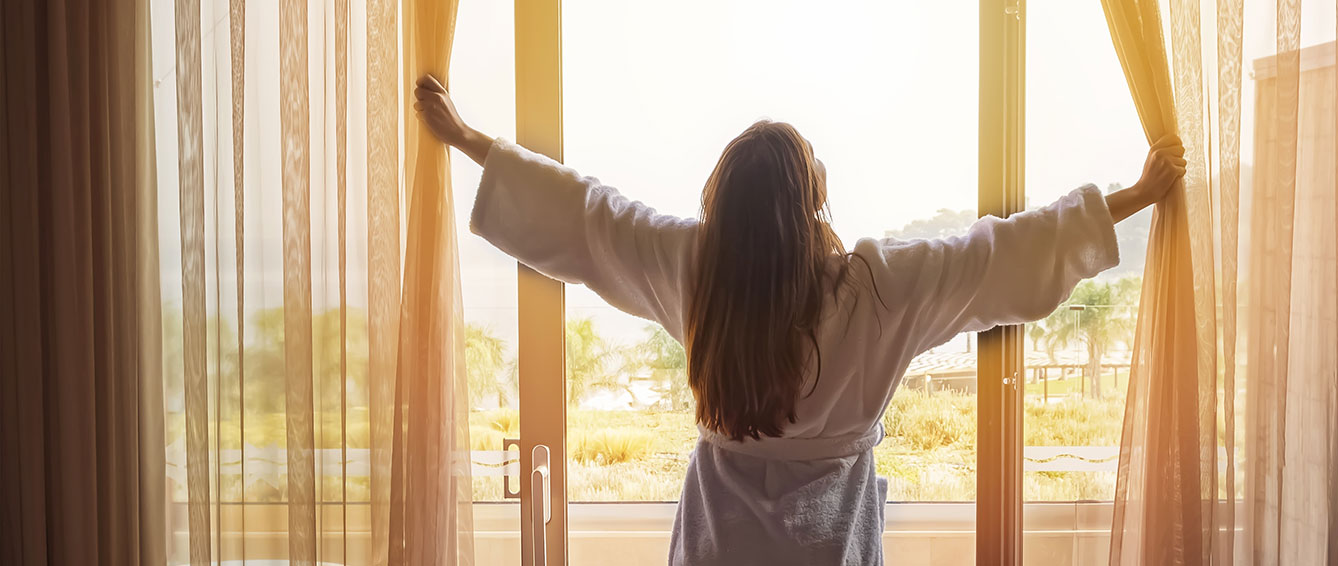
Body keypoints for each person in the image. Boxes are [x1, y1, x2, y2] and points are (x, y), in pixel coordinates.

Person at [413, 74, 1185, 565]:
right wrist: (1138, 193)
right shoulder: (878, 290)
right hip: (831, 547)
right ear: (811, 199)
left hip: (719, 546)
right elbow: (1003, 253)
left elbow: (587, 216)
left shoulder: (693, 271)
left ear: (725, 205)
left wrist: (467, 138)